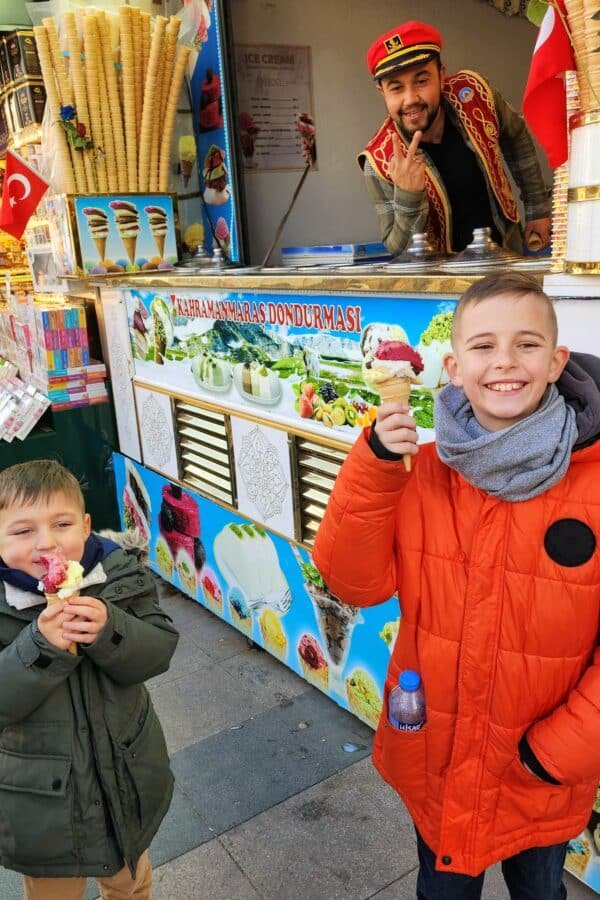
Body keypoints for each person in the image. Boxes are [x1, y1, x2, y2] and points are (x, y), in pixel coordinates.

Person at [313, 272, 600, 899]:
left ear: (555, 362)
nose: (504, 361)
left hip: (540, 768)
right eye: (483, 346)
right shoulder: (423, 471)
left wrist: (561, 751)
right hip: (439, 755)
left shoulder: (595, 483)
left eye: (526, 344)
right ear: (452, 364)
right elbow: (352, 582)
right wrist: (375, 468)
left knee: (540, 891)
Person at [0, 459, 179, 900]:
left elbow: (158, 650)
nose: (47, 543)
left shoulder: (119, 576)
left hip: (125, 782)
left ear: (85, 526)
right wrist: (39, 646)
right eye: (23, 531)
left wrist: (111, 629)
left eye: (61, 524)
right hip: (42, 806)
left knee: (132, 887)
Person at [359, 22, 551, 256]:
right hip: (443, 285)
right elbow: (400, 252)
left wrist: (537, 209)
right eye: (396, 88)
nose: (410, 99)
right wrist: (408, 197)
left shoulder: (475, 93)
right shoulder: (378, 161)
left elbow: (516, 136)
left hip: (506, 258)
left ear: (441, 75)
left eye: (421, 81)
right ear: (382, 91)